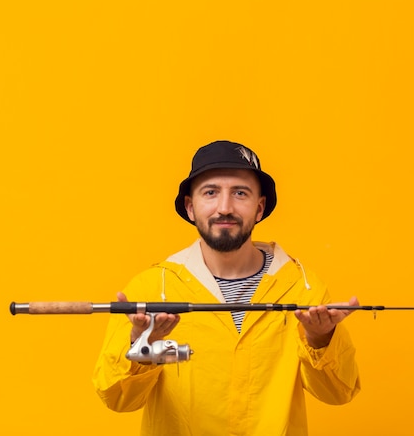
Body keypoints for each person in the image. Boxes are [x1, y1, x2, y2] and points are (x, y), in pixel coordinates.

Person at [93, 140, 360, 436]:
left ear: (259, 208)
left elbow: (338, 394)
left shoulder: (303, 289)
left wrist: (321, 338)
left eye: (240, 193)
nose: (225, 207)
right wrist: (145, 345)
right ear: (190, 207)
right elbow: (117, 398)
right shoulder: (154, 289)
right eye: (211, 192)